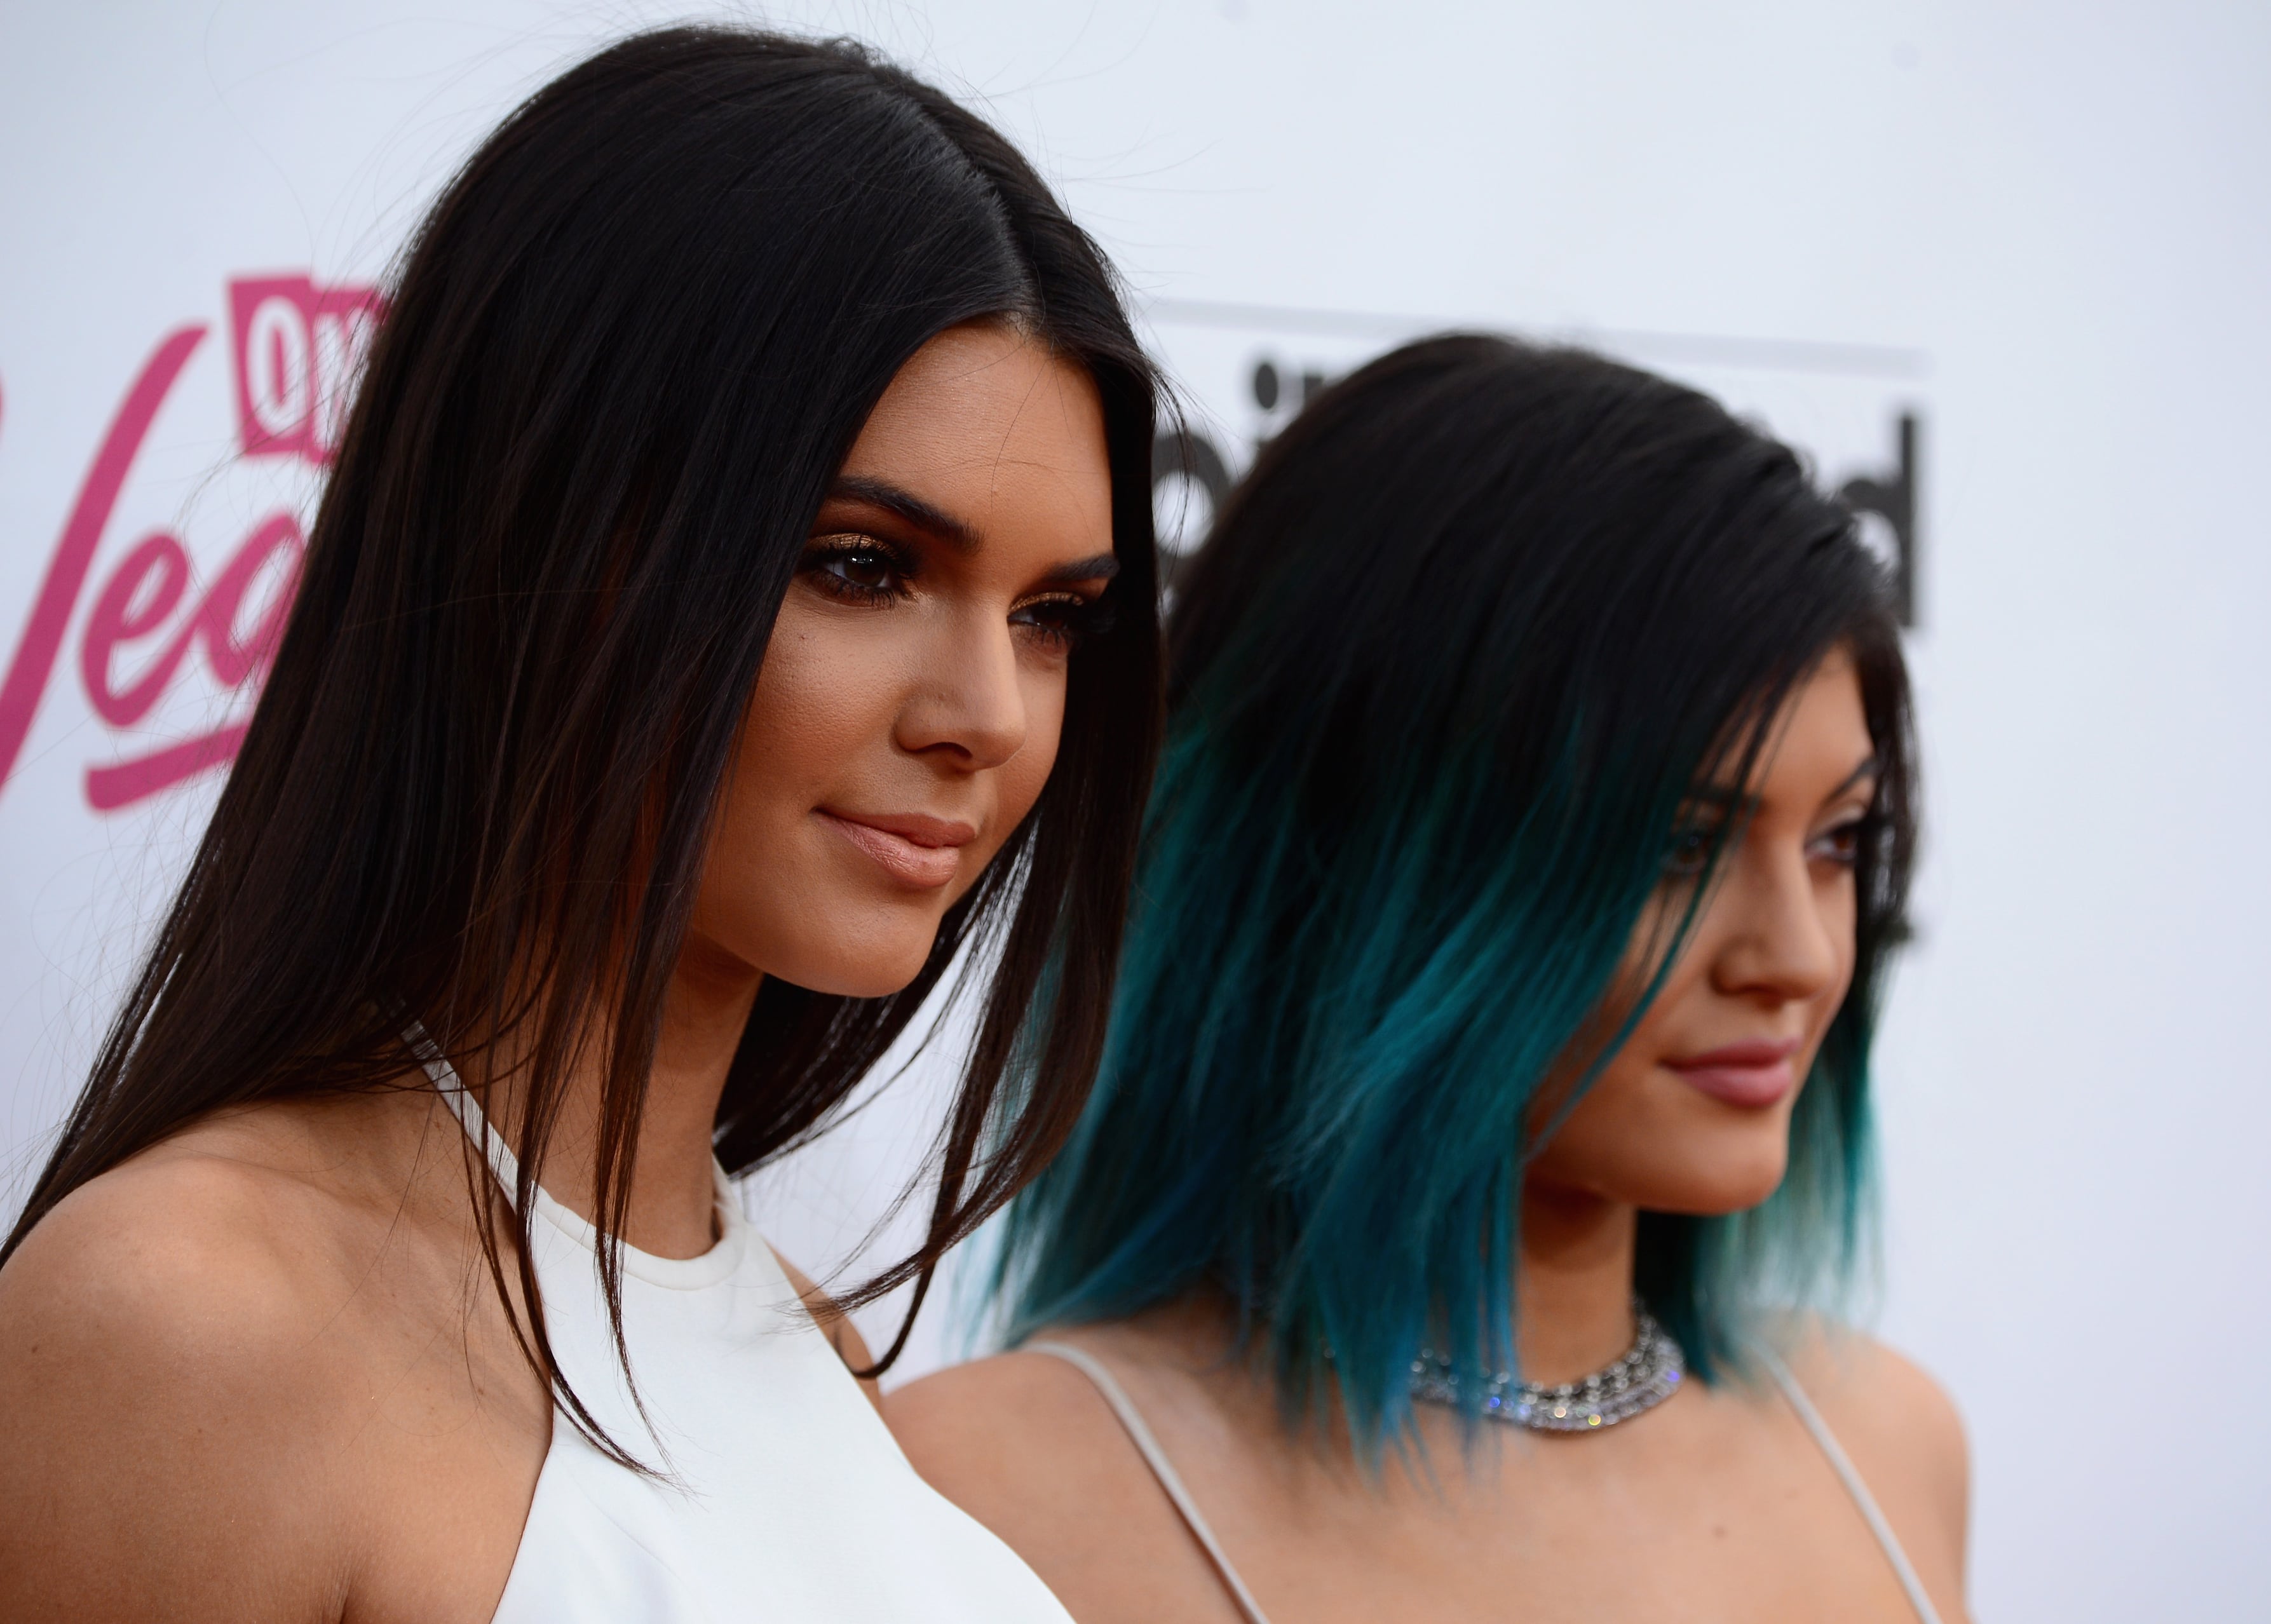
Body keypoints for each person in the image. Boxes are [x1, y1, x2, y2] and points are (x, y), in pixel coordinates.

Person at [0, 26, 1162, 1623]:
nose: (992, 715)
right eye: (861, 566)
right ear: (543, 525)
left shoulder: (802, 1341)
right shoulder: (189, 1318)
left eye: (1051, 614)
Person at [892, 335, 1971, 1622]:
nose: (1796, 959)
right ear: (1373, 853)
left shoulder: (1888, 1445)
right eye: (1676, 846)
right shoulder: (988, 1499)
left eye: (1838, 841)